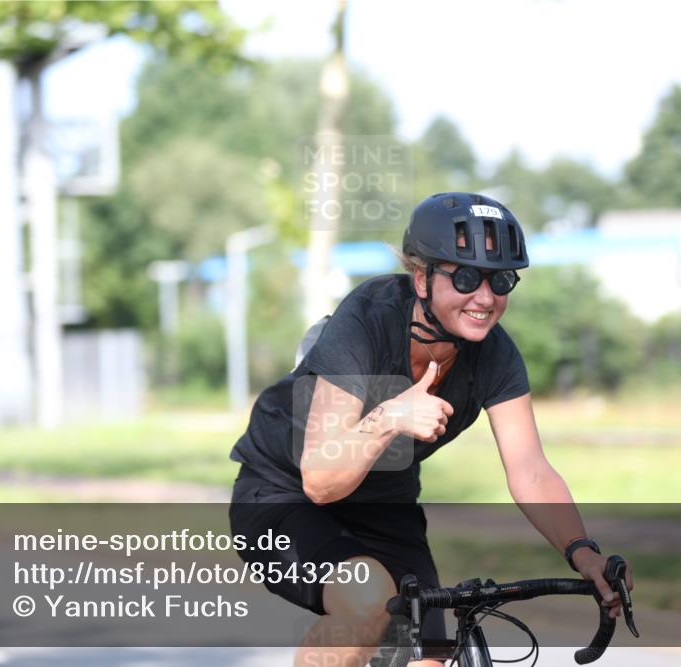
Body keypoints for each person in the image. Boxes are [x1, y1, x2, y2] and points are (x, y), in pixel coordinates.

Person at [229, 192, 634, 667]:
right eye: (465, 277)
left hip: (383, 502)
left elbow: (531, 470)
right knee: (366, 601)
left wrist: (583, 553)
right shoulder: (367, 320)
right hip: (285, 492)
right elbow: (320, 479)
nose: (485, 298)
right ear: (421, 277)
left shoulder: (494, 354)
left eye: (500, 280)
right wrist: (390, 417)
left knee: (430, 655)